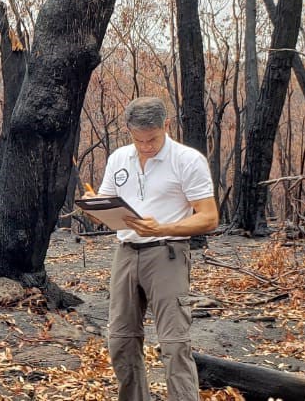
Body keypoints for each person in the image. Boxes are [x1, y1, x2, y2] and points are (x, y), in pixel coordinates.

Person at [92, 97, 218, 401]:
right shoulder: (119, 158)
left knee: (175, 343)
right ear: (129, 132)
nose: (146, 146)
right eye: (138, 140)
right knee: (121, 339)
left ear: (166, 125)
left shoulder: (187, 160)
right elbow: (106, 204)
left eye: (152, 139)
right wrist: (94, 205)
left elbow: (209, 217)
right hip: (126, 252)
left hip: (167, 252)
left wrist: (164, 228)